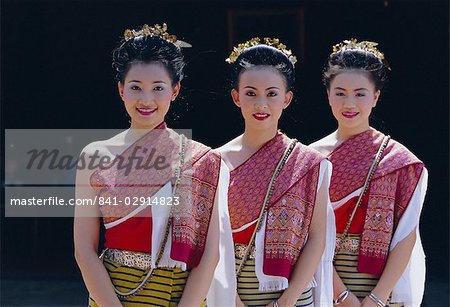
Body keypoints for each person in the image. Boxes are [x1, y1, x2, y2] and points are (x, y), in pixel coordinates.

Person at [74, 23, 229, 307]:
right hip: (113, 294)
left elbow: (210, 252)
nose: (146, 99)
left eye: (158, 88)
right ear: (121, 90)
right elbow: (84, 249)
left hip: (182, 295)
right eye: (136, 87)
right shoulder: (94, 156)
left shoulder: (203, 159)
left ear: (175, 90)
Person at [216, 37, 335, 307]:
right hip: (229, 294)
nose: (261, 103)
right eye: (250, 93)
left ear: (287, 98)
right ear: (236, 97)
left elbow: (317, 238)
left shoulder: (310, 164)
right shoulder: (214, 162)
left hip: (293, 297)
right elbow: (208, 244)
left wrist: (286, 302)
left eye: (271, 94)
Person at [310, 39, 428, 307]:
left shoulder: (399, 162)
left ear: (375, 97)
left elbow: (406, 234)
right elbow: (306, 235)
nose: (349, 103)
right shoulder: (308, 160)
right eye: (339, 93)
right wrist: (342, 295)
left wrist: (376, 298)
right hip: (323, 285)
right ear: (328, 94)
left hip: (382, 287)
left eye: (360, 93)